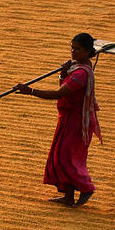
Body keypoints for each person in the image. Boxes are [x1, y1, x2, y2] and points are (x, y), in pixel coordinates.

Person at [14, 32, 102, 207]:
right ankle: (68, 197)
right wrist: (63, 74)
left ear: (86, 52)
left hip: (76, 121)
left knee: (66, 157)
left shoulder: (81, 73)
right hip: (68, 117)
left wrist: (30, 91)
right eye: (72, 48)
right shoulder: (76, 69)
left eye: (77, 49)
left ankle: (86, 187)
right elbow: (63, 87)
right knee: (61, 155)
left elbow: (59, 94)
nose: (73, 52)